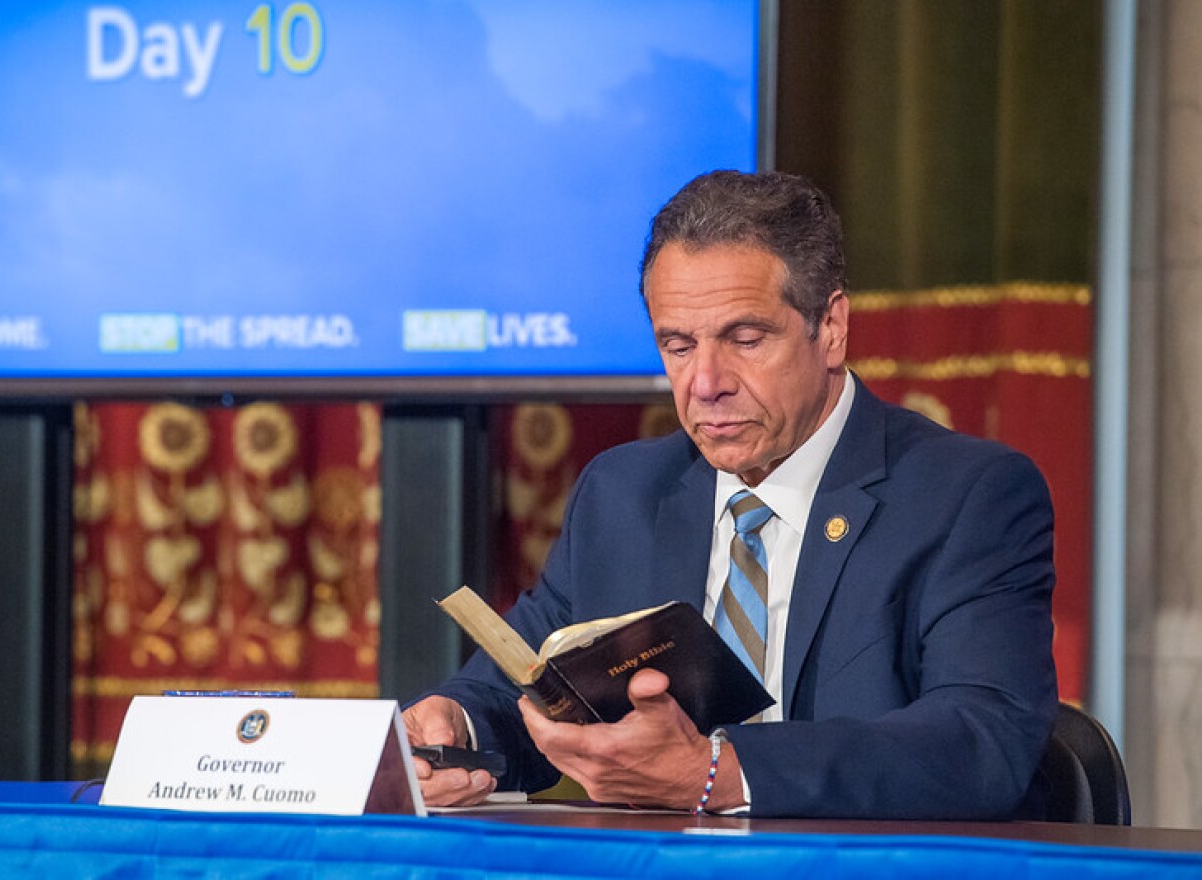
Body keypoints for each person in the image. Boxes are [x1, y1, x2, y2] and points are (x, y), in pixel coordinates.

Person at [401, 170, 1058, 819]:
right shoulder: (623, 494)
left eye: (744, 339)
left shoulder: (966, 496)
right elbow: (528, 692)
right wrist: (457, 726)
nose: (706, 382)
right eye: (678, 346)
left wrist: (719, 774)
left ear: (829, 328)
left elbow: (982, 738)